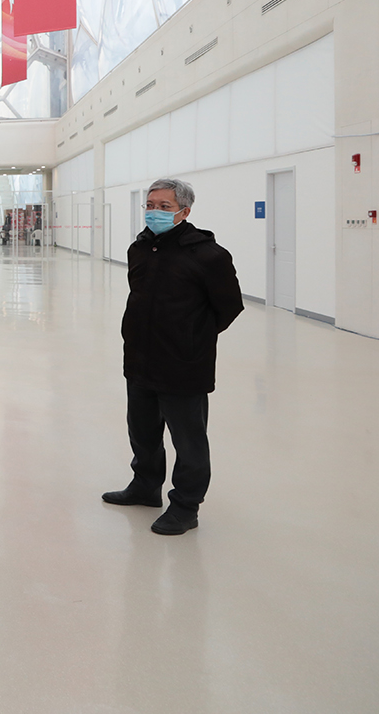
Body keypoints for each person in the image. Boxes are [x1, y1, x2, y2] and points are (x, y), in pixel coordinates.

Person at [103, 178, 243, 536]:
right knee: (143, 432)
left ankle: (185, 507)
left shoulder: (208, 255)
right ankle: (145, 487)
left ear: (185, 211)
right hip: (140, 358)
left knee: (188, 440)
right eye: (150, 205)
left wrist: (191, 338)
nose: (155, 212)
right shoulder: (140, 248)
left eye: (164, 206)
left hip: (183, 364)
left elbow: (229, 307)